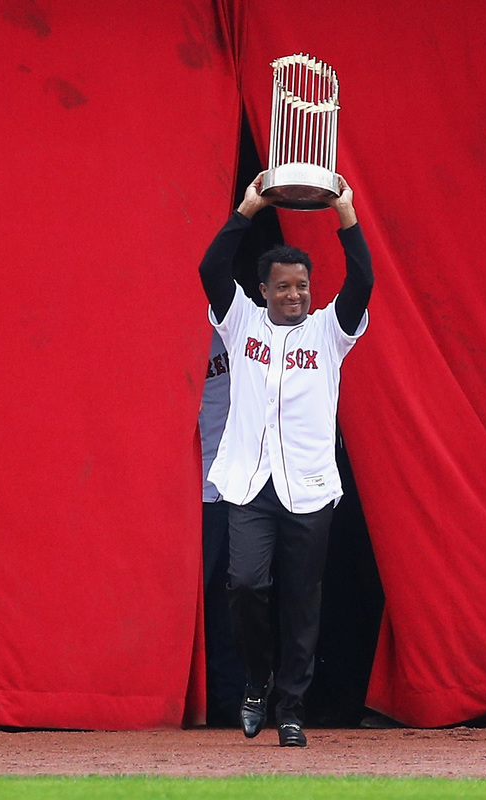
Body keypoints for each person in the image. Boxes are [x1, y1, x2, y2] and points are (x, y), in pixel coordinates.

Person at [198, 172, 373, 746]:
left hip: (309, 485)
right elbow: (209, 271)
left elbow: (363, 281)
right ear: (265, 290)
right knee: (245, 584)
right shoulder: (241, 321)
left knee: (301, 600)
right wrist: (249, 206)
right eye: (283, 286)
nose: (294, 294)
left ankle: (291, 709)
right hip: (250, 483)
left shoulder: (329, 331)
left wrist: (345, 215)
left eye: (301, 285)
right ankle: (257, 681)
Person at [198, 328, 247, 727]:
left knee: (239, 604)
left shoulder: (245, 332)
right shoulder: (178, 337)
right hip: (194, 491)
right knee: (198, 604)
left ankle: (232, 706)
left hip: (245, 488)